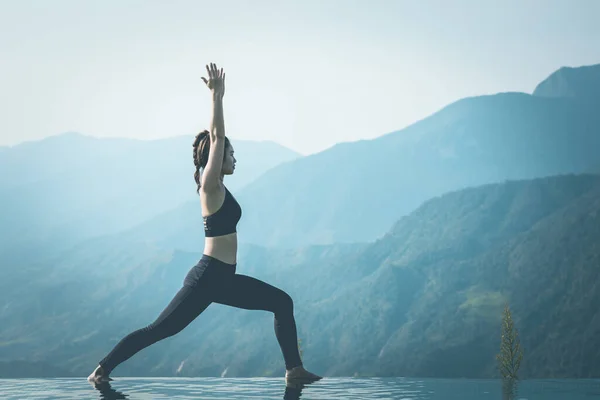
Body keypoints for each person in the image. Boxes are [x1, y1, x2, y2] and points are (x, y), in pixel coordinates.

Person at [88, 63, 322, 385]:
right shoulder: (209, 186)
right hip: (207, 277)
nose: (235, 158)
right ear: (215, 157)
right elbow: (217, 135)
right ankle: (101, 370)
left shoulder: (219, 187)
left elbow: (218, 141)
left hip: (224, 278)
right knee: (157, 331)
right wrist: (217, 96)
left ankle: (294, 371)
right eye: (231, 154)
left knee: (282, 303)